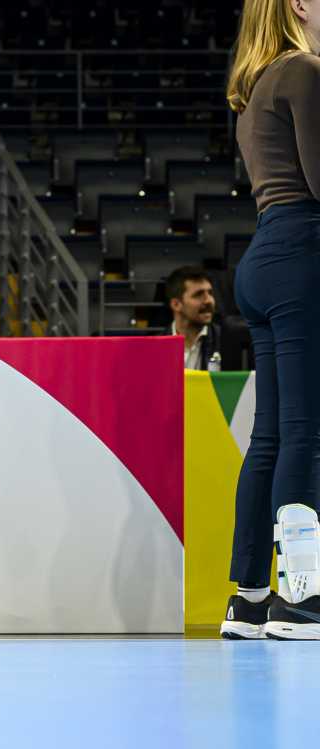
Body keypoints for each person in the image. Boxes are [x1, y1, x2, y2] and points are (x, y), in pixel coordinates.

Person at [222, 0, 320, 638]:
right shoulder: (305, 70)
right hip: (302, 252)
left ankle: (250, 599)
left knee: (271, 436)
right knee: (305, 432)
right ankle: (301, 598)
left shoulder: (257, 83)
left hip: (263, 255)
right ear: (298, 5)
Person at [164, 266, 252, 371]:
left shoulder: (227, 343)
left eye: (210, 293)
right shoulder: (155, 347)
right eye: (198, 295)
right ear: (176, 304)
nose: (209, 301)